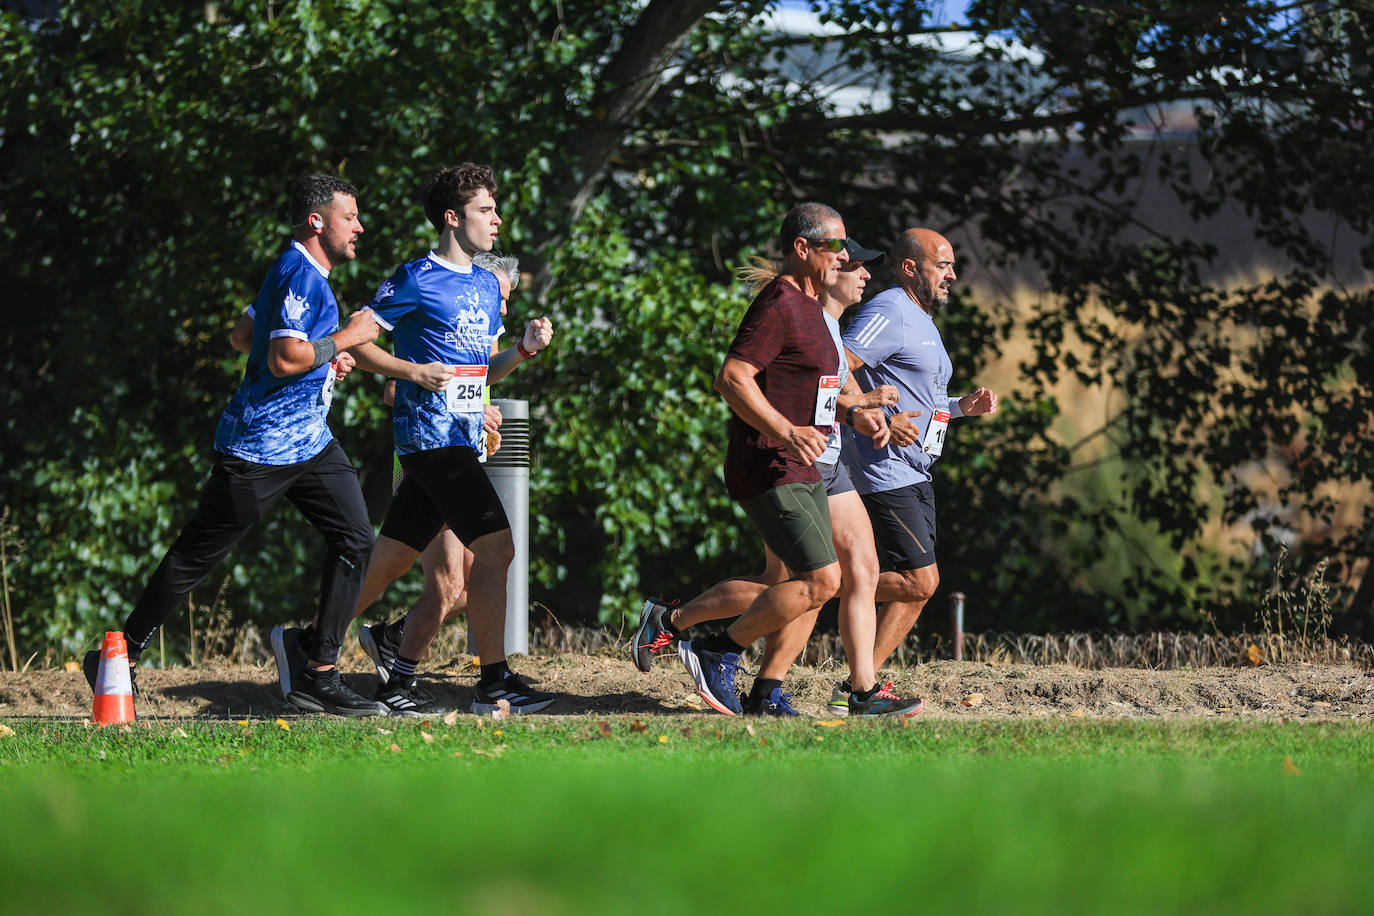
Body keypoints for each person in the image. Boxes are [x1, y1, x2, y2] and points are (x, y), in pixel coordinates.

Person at [85, 174, 387, 716]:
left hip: (310, 443)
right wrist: (349, 338)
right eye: (351, 217)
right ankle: (117, 655)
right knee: (197, 554)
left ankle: (316, 667)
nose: (360, 227)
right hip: (260, 450)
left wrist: (323, 361)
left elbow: (244, 337)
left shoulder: (298, 271)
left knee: (356, 539)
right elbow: (281, 358)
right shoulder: (300, 273)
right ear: (317, 221)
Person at [631, 240, 923, 717]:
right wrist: (803, 427)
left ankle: (788, 688)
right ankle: (688, 628)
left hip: (824, 464)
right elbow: (737, 379)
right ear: (824, 268)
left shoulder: (826, 325)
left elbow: (826, 401)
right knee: (803, 583)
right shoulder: (795, 312)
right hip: (789, 463)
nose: (865, 275)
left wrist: (865, 416)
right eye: (854, 265)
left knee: (848, 574)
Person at [341, 163, 556, 716]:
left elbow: (482, 369)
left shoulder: (487, 283)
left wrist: (525, 350)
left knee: (391, 562)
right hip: (427, 438)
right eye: (486, 209)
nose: (497, 219)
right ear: (453, 217)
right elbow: (358, 341)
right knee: (496, 548)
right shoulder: (415, 276)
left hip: (462, 438)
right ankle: (494, 682)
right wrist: (410, 374)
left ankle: (332, 653)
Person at [645, 203, 849, 716]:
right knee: (822, 579)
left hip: (802, 464)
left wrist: (854, 407)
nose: (843, 256)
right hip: (769, 463)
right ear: (802, 249)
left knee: (810, 587)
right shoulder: (779, 302)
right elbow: (732, 378)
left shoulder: (813, 309)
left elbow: (808, 387)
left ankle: (764, 692)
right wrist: (786, 430)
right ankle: (717, 649)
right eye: (834, 246)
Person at [352, 251, 530, 717]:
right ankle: (380, 661)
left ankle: (375, 639)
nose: (504, 310)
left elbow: (481, 379)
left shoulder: (481, 329)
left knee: (469, 583)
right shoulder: (441, 300)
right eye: (502, 297)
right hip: (422, 457)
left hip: (456, 453)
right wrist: (463, 404)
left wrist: (482, 412)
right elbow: (395, 389)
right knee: (451, 582)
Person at [829, 227, 999, 710]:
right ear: (910, 268)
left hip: (916, 469)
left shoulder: (921, 319)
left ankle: (859, 688)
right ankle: (812, 586)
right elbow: (836, 361)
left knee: (920, 587)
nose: (953, 275)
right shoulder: (891, 309)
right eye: (942, 265)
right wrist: (877, 415)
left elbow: (923, 404)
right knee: (921, 580)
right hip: (884, 470)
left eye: (951, 265)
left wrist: (962, 407)